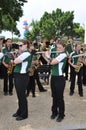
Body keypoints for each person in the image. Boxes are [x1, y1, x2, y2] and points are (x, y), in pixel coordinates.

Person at [12, 40, 32, 121]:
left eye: (21, 45)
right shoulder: (22, 53)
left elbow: (15, 61)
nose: (19, 46)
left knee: (22, 96)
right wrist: (18, 52)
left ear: (26, 45)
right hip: (18, 75)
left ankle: (24, 114)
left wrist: (15, 55)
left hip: (22, 76)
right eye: (19, 45)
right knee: (19, 95)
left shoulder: (26, 53)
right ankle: (20, 110)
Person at [49, 40, 67, 122]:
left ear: (64, 48)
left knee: (60, 97)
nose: (58, 49)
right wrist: (44, 55)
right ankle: (54, 112)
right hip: (53, 77)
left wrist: (48, 56)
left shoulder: (63, 55)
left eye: (60, 47)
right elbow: (50, 63)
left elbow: (52, 62)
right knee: (54, 96)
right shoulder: (58, 55)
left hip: (60, 79)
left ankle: (61, 114)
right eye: (57, 47)